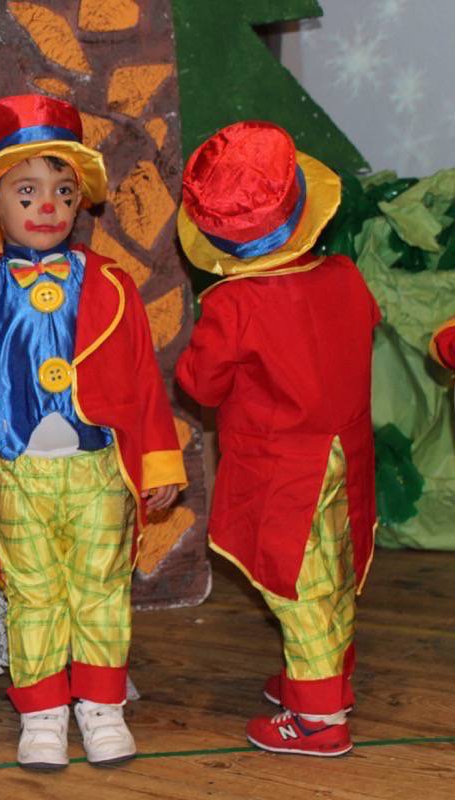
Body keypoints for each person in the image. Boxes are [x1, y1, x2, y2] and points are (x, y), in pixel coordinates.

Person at [0, 95, 186, 770]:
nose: (47, 204)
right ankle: (42, 712)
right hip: (16, 471)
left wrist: (159, 465)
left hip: (98, 466)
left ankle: (101, 707)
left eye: (63, 191)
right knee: (34, 595)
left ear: (80, 202)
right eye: (27, 190)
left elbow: (140, 380)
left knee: (102, 588)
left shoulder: (111, 285)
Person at [175, 120, 379, 757]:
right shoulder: (344, 275)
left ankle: (319, 721)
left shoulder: (234, 306)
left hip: (284, 467)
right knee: (336, 570)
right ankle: (321, 679)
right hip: (347, 453)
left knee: (297, 585)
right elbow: (363, 328)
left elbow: (201, 386)